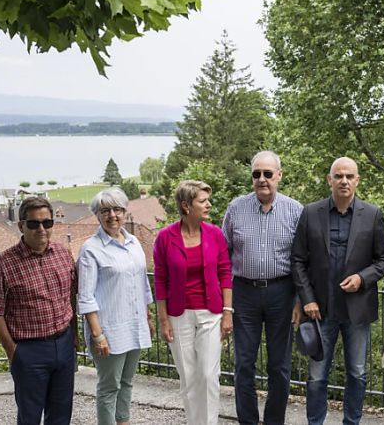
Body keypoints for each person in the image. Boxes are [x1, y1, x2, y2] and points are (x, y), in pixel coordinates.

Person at [291, 156, 384, 425]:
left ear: (357, 180)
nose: (344, 181)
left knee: (357, 373)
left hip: (357, 310)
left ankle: (352, 422)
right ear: (330, 180)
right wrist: (307, 300)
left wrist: (362, 277)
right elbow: (298, 260)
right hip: (319, 311)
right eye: (339, 176)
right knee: (316, 376)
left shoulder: (372, 214)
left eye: (349, 176)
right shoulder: (311, 212)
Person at [222, 151, 303, 425]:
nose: (262, 179)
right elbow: (224, 257)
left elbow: (303, 260)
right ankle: (247, 421)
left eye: (268, 174)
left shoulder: (295, 210)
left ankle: (273, 421)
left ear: (279, 175)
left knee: (279, 366)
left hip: (282, 293)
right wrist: (227, 304)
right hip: (244, 293)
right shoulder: (235, 208)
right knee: (243, 364)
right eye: (256, 174)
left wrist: (300, 300)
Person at [0, 196, 76, 425]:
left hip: (64, 344)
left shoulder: (64, 254)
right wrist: (13, 352)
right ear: (21, 226)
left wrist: (73, 336)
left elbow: (71, 296)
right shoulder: (3, 264)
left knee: (61, 414)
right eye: (34, 223)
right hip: (29, 351)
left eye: (47, 222)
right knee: (30, 417)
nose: (41, 229)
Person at [153, 180, 233, 425]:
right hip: (179, 316)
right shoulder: (165, 238)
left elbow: (224, 272)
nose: (209, 204)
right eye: (203, 201)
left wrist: (228, 312)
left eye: (208, 200)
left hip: (211, 314)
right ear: (186, 206)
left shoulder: (215, 234)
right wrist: (164, 319)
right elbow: (161, 280)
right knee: (188, 379)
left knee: (208, 375)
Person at [77, 187, 155, 425]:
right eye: (105, 210)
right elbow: (86, 296)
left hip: (134, 324)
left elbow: (142, 284)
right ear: (97, 215)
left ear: (124, 212)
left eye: (117, 209)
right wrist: (97, 335)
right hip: (108, 329)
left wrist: (148, 317)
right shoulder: (91, 249)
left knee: (127, 382)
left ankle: (123, 422)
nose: (112, 215)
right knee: (109, 386)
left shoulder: (133, 243)